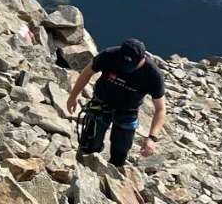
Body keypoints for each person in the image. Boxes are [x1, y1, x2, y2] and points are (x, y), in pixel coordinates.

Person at [64, 37, 164, 172]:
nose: (125, 69)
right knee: (89, 144)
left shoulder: (153, 75)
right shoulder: (109, 55)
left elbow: (160, 109)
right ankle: (81, 172)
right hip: (101, 102)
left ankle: (111, 179)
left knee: (120, 151)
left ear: (142, 59)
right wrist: (73, 96)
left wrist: (152, 137)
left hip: (128, 110)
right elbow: (87, 72)